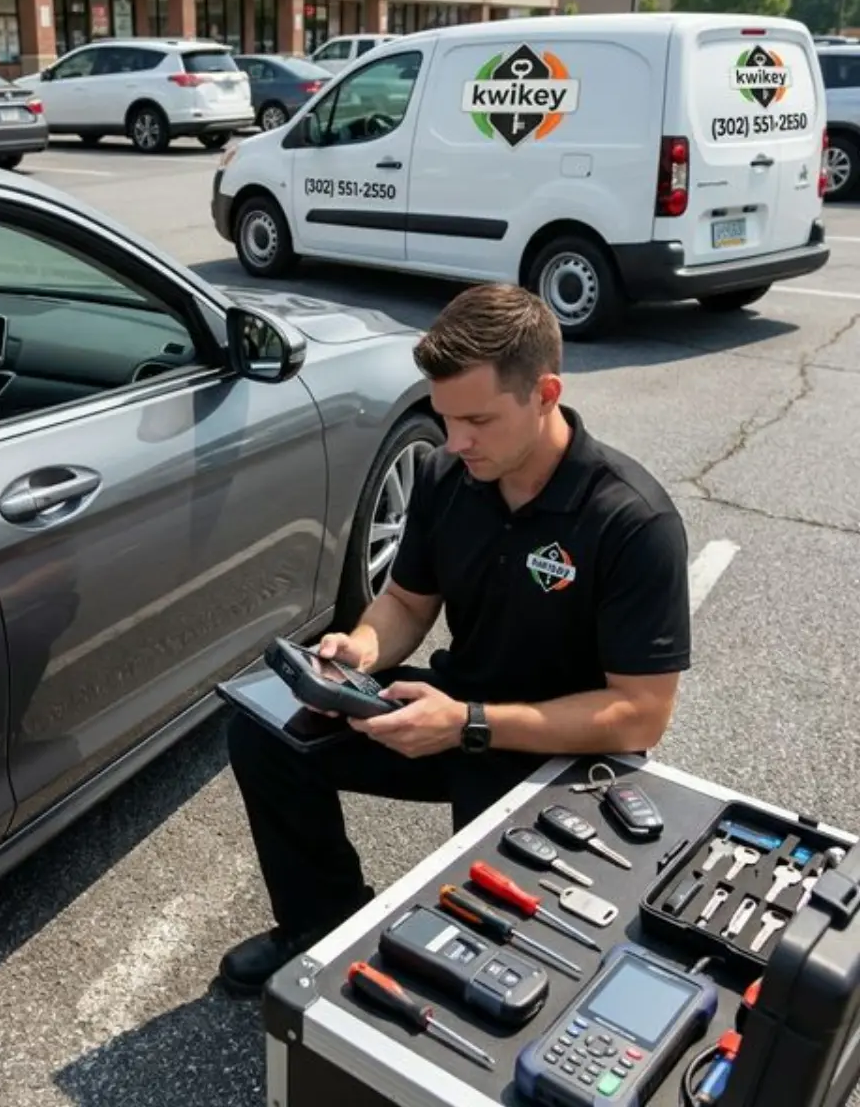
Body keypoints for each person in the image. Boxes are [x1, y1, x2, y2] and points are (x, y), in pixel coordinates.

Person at [218, 283, 692, 997]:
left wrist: (468, 725)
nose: (455, 440)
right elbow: (408, 601)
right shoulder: (448, 473)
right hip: (454, 712)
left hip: (558, 754)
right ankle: (320, 922)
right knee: (265, 734)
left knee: (479, 953)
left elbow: (640, 713)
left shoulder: (630, 521)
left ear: (545, 392)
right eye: (444, 418)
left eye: (477, 419)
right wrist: (361, 649)